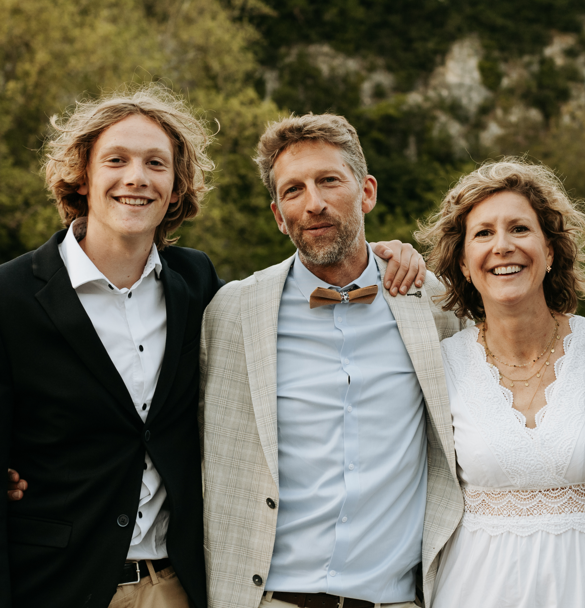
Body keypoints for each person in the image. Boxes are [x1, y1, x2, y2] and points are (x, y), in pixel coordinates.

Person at [0, 86, 424, 608]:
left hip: (178, 585)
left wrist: (385, 254)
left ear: (175, 187)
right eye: (116, 160)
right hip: (54, 585)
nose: (136, 177)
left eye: (156, 163)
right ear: (83, 176)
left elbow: (320, 267)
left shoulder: (198, 285)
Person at [198, 113, 463, 608]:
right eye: (293, 190)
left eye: (328, 181)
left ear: (366, 193)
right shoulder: (231, 313)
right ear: (279, 215)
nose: (313, 203)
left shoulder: (433, 304)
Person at [416, 159, 585, 607]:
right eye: (483, 233)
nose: (502, 246)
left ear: (550, 251)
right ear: (464, 264)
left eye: (519, 229)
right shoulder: (441, 365)